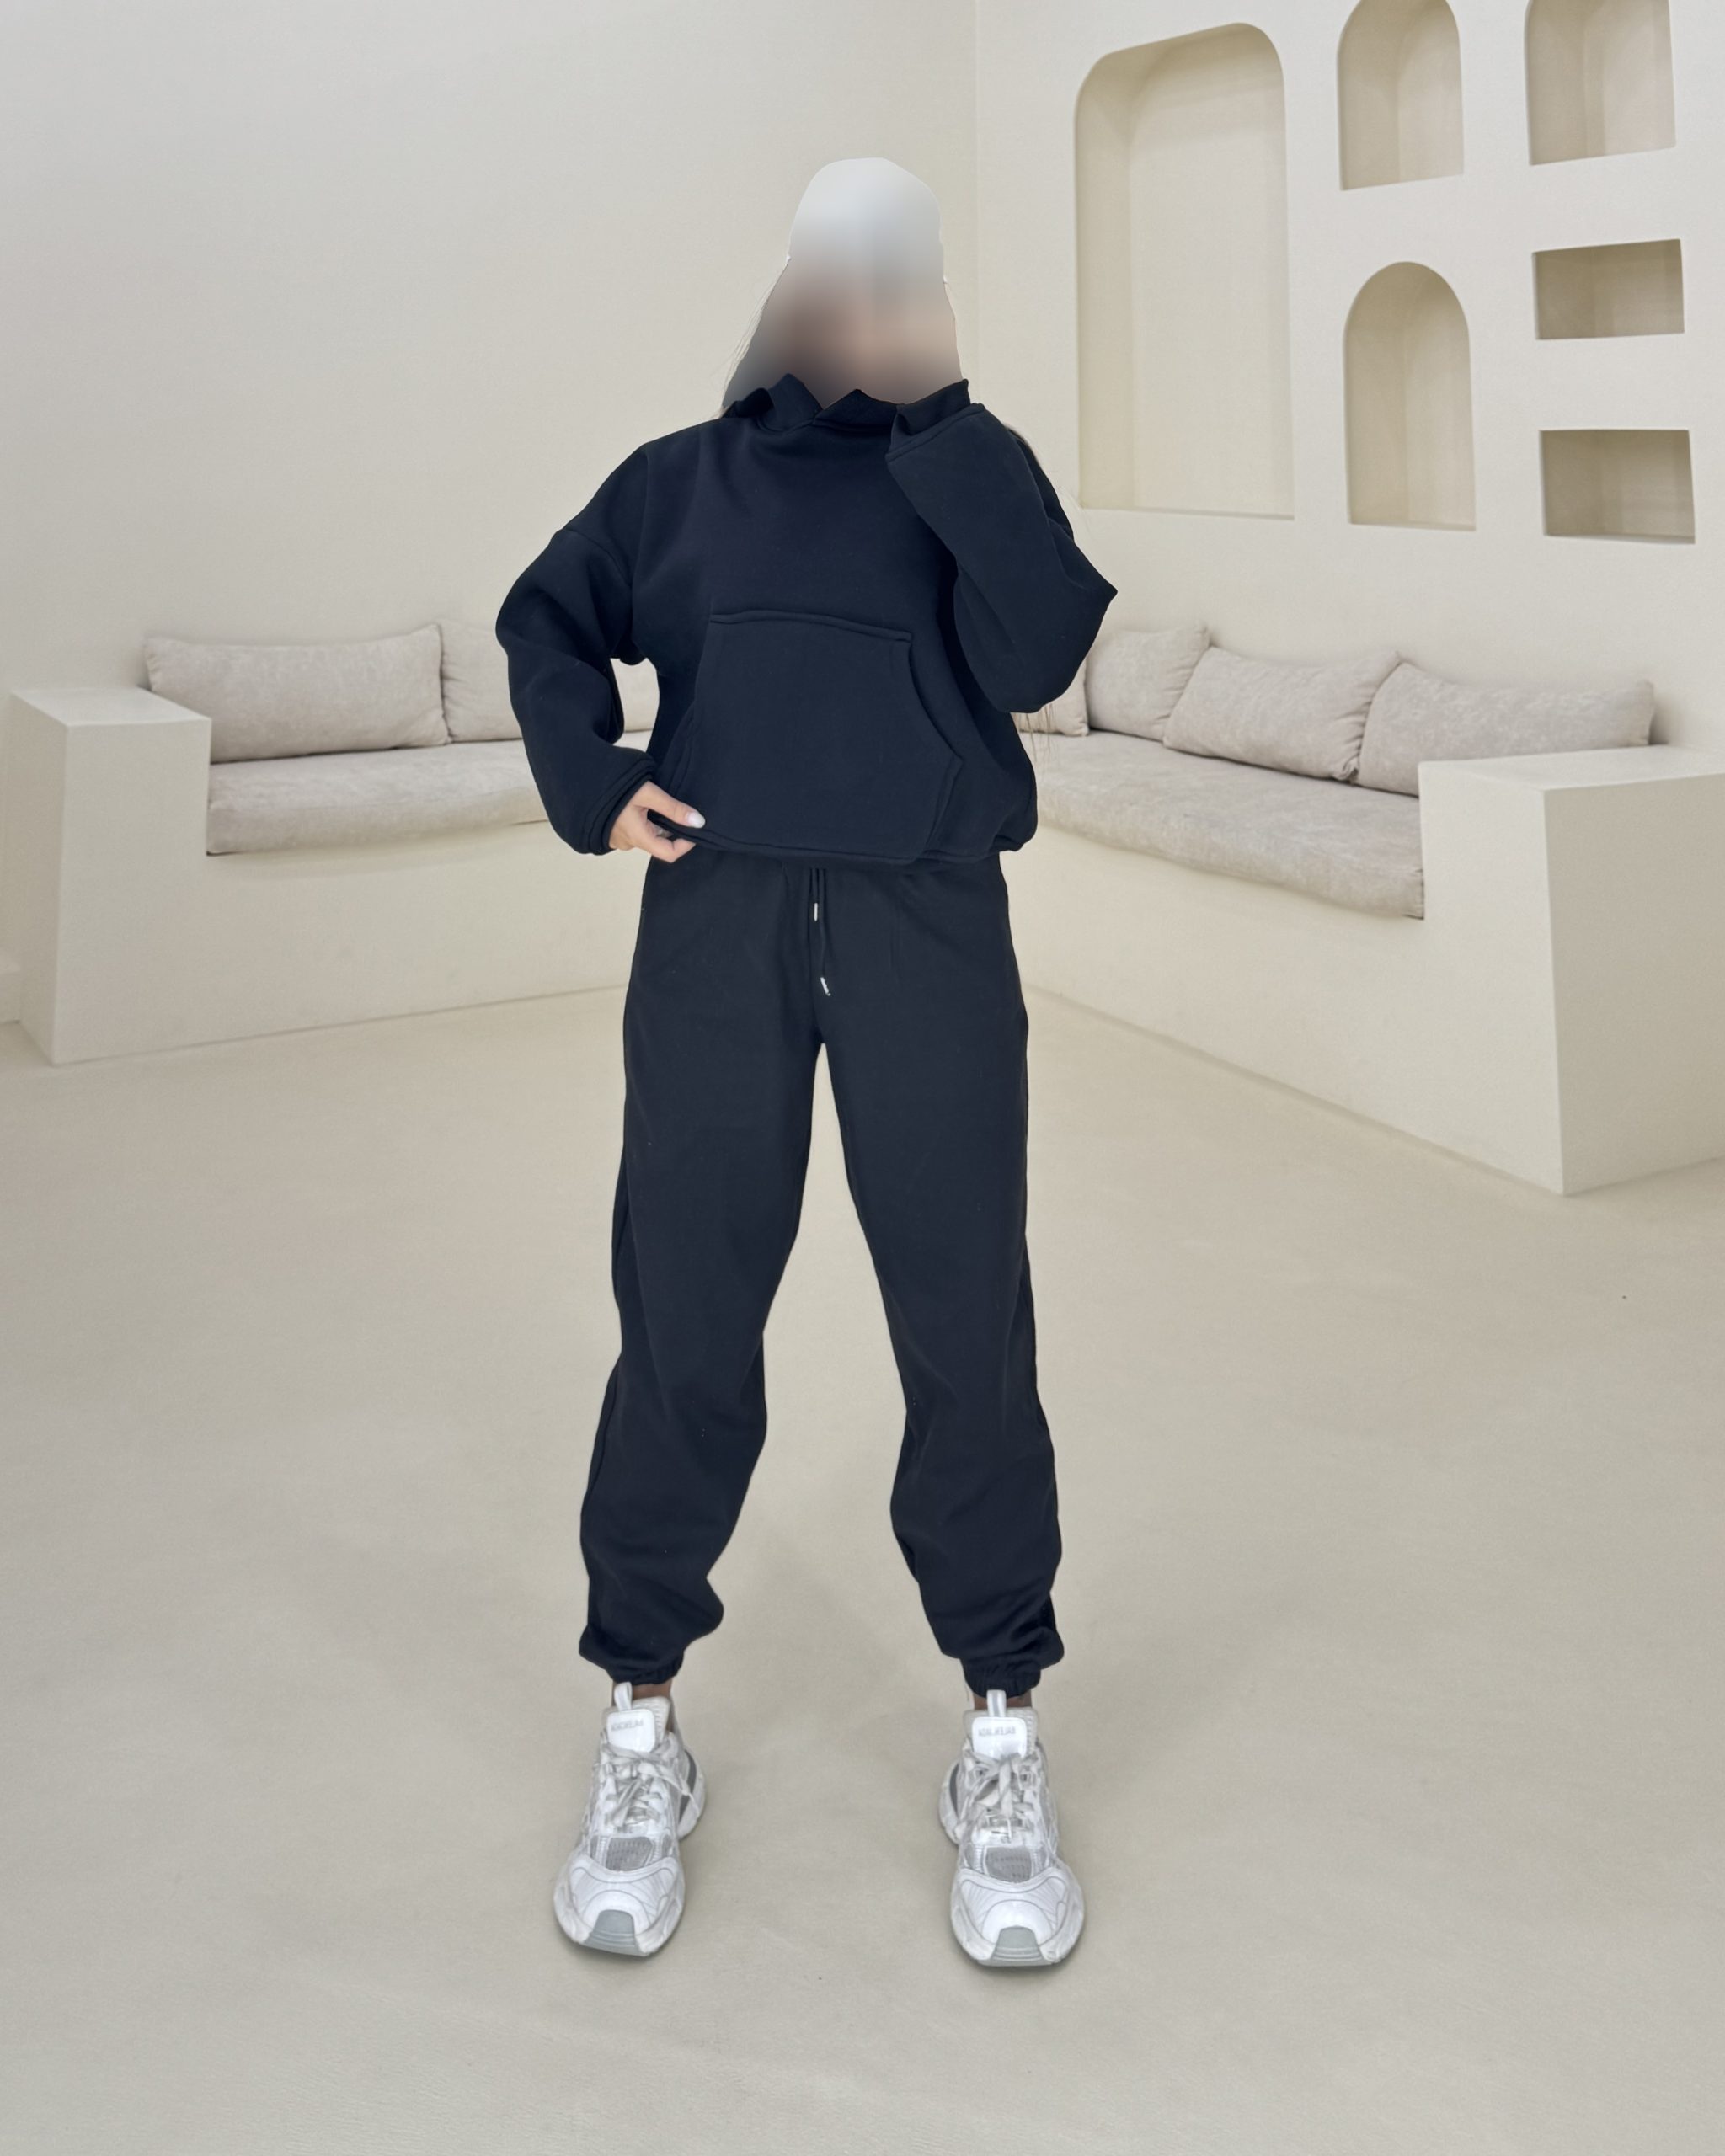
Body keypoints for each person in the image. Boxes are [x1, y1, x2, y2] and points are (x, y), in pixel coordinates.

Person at [494, 157, 1118, 1968]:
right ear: (787, 292)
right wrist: (595, 780)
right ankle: (642, 1717)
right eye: (839, 274)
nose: (861, 306)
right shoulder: (678, 482)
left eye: (896, 276)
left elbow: (1043, 648)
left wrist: (947, 421)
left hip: (930, 925)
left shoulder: (966, 474)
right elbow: (546, 619)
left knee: (964, 1317)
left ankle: (1000, 1726)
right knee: (685, 1307)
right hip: (718, 929)